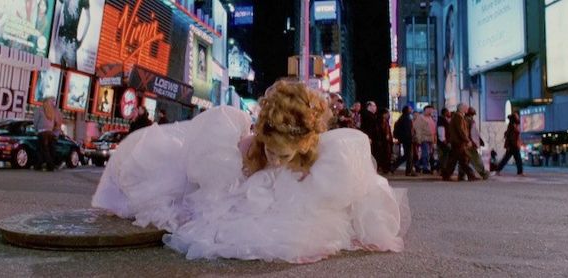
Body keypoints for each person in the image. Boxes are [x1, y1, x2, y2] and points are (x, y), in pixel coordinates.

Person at [91, 80, 410, 263]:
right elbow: (213, 198)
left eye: (284, 153)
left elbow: (350, 191)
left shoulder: (316, 154)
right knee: (154, 176)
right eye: (271, 148)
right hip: (208, 178)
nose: (276, 158)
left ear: (303, 144)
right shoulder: (237, 149)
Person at [442, 103, 478, 181]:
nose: (467, 109)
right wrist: (467, 140)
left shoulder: (457, 116)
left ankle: (446, 175)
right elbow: (461, 131)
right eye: (466, 107)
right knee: (463, 160)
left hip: (457, 142)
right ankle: (471, 175)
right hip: (459, 142)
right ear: (461, 109)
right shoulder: (458, 117)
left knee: (454, 160)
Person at [53, 0, 91, 68]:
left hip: (70, 42)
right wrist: (54, 37)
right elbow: (57, 13)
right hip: (61, 39)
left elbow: (88, 19)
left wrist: (81, 41)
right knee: (58, 71)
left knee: (71, 75)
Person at [33, 97, 63, 171]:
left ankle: (50, 166)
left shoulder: (39, 110)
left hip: (42, 132)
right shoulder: (52, 111)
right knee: (45, 150)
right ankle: (38, 165)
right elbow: (57, 123)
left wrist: (36, 130)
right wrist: (56, 132)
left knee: (44, 150)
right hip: (50, 133)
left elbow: (36, 121)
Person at [463, 107, 489, 179]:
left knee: (465, 159)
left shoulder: (464, 120)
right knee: (475, 158)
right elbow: (474, 133)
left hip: (466, 142)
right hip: (470, 143)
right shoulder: (470, 121)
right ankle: (483, 173)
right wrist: (476, 142)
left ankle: (462, 174)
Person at [392, 106, 416, 176]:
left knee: (407, 156)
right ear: (407, 110)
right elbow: (407, 130)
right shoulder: (406, 119)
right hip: (407, 140)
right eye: (410, 109)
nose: (411, 110)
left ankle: (394, 166)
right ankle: (408, 171)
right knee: (409, 156)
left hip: (405, 139)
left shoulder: (402, 118)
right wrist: (411, 138)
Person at [413, 105, 436, 174]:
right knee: (425, 153)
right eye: (431, 110)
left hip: (430, 138)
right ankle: (425, 167)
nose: (432, 111)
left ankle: (417, 165)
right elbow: (418, 129)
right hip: (424, 138)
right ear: (426, 110)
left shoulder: (430, 118)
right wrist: (419, 139)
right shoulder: (420, 118)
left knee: (428, 154)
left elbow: (433, 130)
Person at [375, 108, 394, 174]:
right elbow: (383, 131)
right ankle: (385, 169)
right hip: (384, 141)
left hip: (385, 141)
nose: (388, 115)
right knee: (385, 155)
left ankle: (385, 168)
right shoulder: (382, 121)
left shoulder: (384, 121)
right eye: (387, 113)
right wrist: (386, 136)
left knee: (386, 155)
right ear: (384, 114)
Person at [436, 108, 451, 173]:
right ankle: (441, 167)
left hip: (444, 141)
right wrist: (443, 140)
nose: (449, 113)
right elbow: (441, 130)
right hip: (443, 141)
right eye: (448, 112)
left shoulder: (444, 119)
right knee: (445, 155)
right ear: (445, 113)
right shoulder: (442, 120)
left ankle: (440, 167)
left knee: (445, 155)